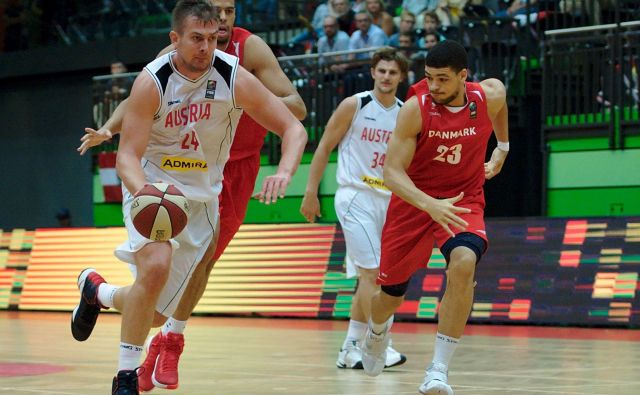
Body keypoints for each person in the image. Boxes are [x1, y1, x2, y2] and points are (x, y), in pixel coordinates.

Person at [70, 2, 307, 394]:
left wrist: (284, 171)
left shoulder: (234, 77)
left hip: (202, 198)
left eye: (212, 39)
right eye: (197, 39)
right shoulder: (153, 80)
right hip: (153, 185)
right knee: (157, 264)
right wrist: (143, 191)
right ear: (175, 39)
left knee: (154, 312)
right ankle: (125, 377)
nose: (205, 47)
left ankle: (97, 291)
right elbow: (127, 156)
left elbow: (293, 128)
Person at [360, 40, 509, 395]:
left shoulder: (486, 96)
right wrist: (429, 204)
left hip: (463, 201)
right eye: (428, 78)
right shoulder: (415, 108)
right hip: (413, 202)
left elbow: (500, 105)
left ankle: (438, 371)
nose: (434, 87)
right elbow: (392, 173)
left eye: (442, 79)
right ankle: (378, 331)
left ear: (463, 76)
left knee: (463, 264)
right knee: (390, 295)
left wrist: (502, 147)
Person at [300, 47, 408, 370]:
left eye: (393, 72)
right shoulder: (356, 105)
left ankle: (350, 348)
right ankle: (379, 343)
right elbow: (324, 146)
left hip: (389, 201)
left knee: (370, 279)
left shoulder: (406, 113)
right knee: (373, 275)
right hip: (355, 196)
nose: (387, 77)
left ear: (402, 77)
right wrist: (310, 192)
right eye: (382, 71)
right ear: (373, 72)